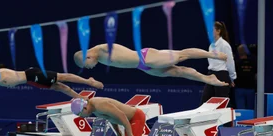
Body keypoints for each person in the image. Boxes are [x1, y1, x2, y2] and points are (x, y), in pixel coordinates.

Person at [73, 43, 229, 86]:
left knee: (182, 55)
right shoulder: (98, 58)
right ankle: (208, 79)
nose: (88, 68)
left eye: (86, 65)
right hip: (143, 67)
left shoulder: (102, 49)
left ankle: (212, 54)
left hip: (146, 57)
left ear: (88, 56)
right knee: (179, 71)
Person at [70, 97, 145, 136]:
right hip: (128, 121)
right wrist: (118, 133)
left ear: (84, 108)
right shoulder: (94, 109)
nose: (82, 117)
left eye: (80, 114)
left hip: (135, 117)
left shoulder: (100, 105)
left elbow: (122, 116)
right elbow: (111, 117)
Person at [0, 67, 104, 99]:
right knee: (60, 87)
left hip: (33, 76)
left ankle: (89, 81)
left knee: (63, 78)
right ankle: (82, 99)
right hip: (32, 80)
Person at [201, 21, 237, 104]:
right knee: (205, 102)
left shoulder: (225, 45)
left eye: (211, 30)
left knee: (221, 103)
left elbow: (230, 62)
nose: (209, 32)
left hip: (222, 75)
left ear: (218, 31)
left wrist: (231, 77)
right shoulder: (211, 46)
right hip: (211, 75)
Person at [234, 44, 257, 110]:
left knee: (241, 109)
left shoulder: (236, 63)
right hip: (250, 88)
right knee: (250, 109)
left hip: (239, 89)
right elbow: (256, 75)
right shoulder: (253, 62)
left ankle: (242, 120)